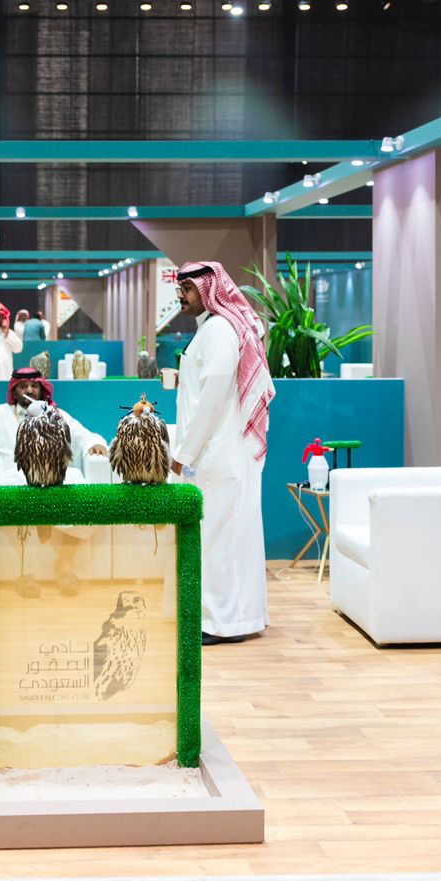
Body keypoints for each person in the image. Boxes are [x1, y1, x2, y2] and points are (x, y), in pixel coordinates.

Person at [170, 261, 272, 645]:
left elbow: (211, 400)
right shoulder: (210, 330)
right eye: (179, 289)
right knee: (219, 539)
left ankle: (225, 624)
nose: (181, 296)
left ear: (208, 289)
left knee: (221, 541)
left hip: (221, 453)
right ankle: (226, 618)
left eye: (188, 289)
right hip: (214, 453)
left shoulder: (220, 331)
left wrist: (183, 454)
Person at [0, 368, 108, 596]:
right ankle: (24, 572)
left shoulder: (54, 413)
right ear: (14, 391)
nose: (29, 390)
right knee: (3, 496)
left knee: (86, 496)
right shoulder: (1, 413)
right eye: (23, 386)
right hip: (13, 473)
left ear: (41, 389)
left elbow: (82, 434)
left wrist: (93, 444)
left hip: (54, 474)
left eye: (34, 385)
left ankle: (64, 565)